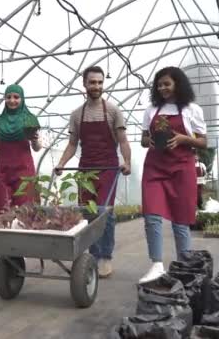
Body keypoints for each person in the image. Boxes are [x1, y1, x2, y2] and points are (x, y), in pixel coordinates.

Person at [54, 66, 131, 278]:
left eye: (99, 82)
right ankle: (89, 257)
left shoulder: (114, 111)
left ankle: (104, 257)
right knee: (86, 213)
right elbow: (72, 144)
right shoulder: (77, 115)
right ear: (84, 84)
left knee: (104, 211)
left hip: (108, 167)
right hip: (85, 169)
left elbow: (123, 140)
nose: (96, 86)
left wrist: (127, 162)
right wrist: (61, 163)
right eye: (92, 82)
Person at [139, 66, 207, 283]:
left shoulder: (191, 109)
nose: (162, 88)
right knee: (152, 215)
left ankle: (183, 267)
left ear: (177, 84)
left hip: (181, 167)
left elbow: (203, 142)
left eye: (166, 84)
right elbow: (143, 139)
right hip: (155, 167)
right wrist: (147, 141)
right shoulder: (150, 110)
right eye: (159, 85)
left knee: (181, 219)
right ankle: (157, 265)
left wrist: (183, 139)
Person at [0, 84, 42, 217]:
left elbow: (37, 148)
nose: (12, 100)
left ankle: (27, 237)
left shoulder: (29, 119)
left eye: (16, 97)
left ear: (22, 99)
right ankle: (5, 237)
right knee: (2, 210)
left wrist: (34, 139)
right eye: (8, 97)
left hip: (24, 170)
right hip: (3, 171)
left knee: (26, 210)